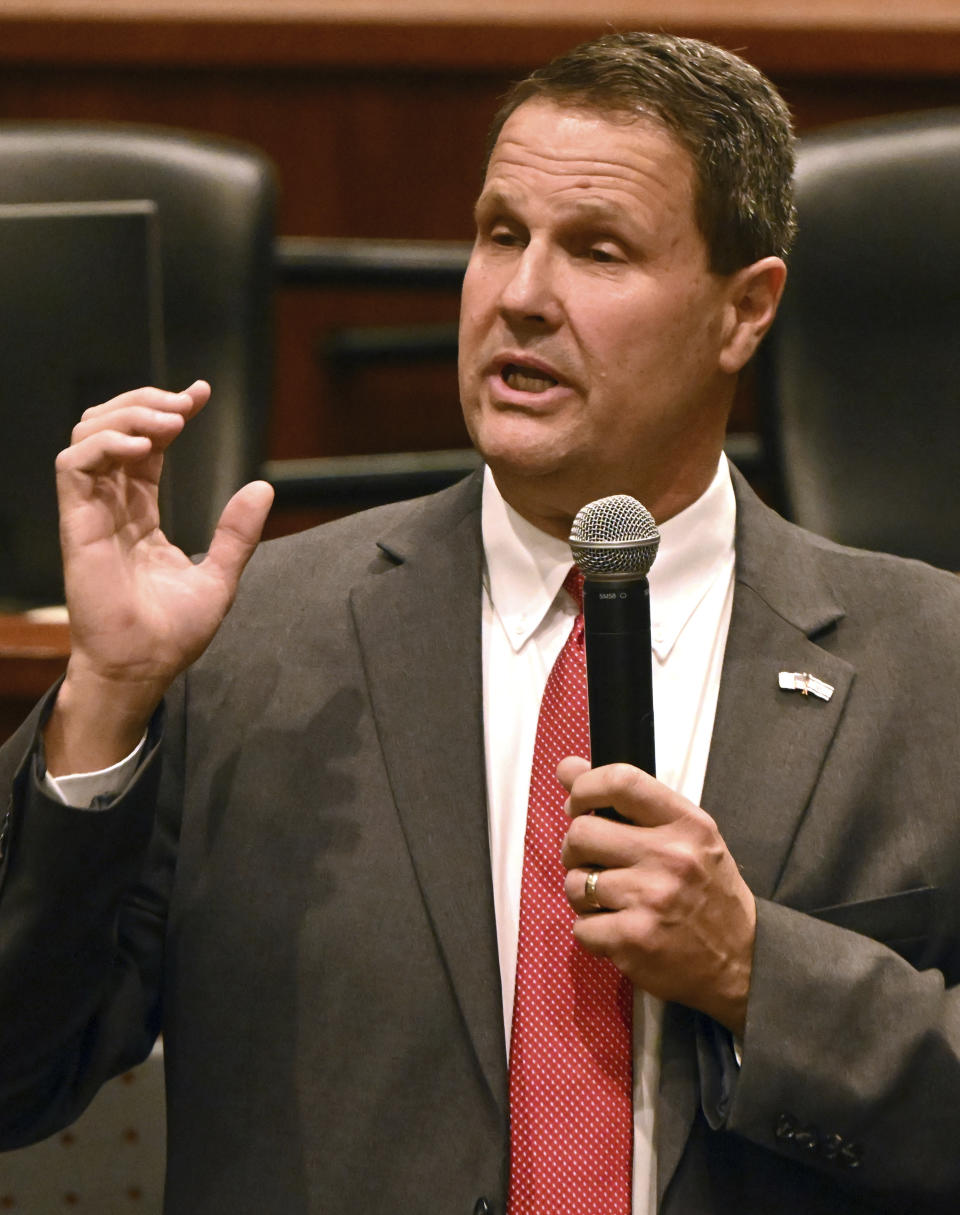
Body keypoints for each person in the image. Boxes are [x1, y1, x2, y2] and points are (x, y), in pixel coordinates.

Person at [1, 29, 959, 1215]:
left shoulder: (929, 663)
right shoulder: (254, 644)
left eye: (597, 250)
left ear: (744, 310)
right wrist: (105, 691)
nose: (519, 296)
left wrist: (763, 973)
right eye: (501, 234)